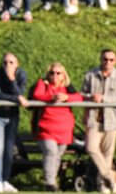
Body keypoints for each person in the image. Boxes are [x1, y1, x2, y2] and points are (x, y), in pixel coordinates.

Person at [32, 62, 83, 192]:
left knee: (58, 155)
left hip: (64, 129)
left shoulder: (67, 87)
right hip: (46, 128)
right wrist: (51, 97)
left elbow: (79, 98)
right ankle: (50, 183)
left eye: (58, 73)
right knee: (51, 152)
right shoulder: (43, 84)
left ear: (63, 76)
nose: (55, 75)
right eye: (52, 73)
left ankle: (52, 181)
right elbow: (37, 95)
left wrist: (66, 97)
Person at [81, 50, 116, 194]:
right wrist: (91, 97)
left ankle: (103, 186)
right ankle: (109, 177)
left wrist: (104, 99)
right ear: (100, 59)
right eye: (105, 59)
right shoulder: (90, 75)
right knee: (91, 148)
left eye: (111, 60)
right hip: (94, 119)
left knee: (108, 154)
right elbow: (82, 95)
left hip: (112, 120)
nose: (108, 62)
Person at [0, 53, 28, 193]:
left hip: (12, 116)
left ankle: (5, 180)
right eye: (5, 62)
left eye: (11, 62)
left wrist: (12, 79)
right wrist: (17, 99)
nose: (7, 65)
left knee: (8, 150)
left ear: (17, 64)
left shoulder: (21, 74)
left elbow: (21, 92)